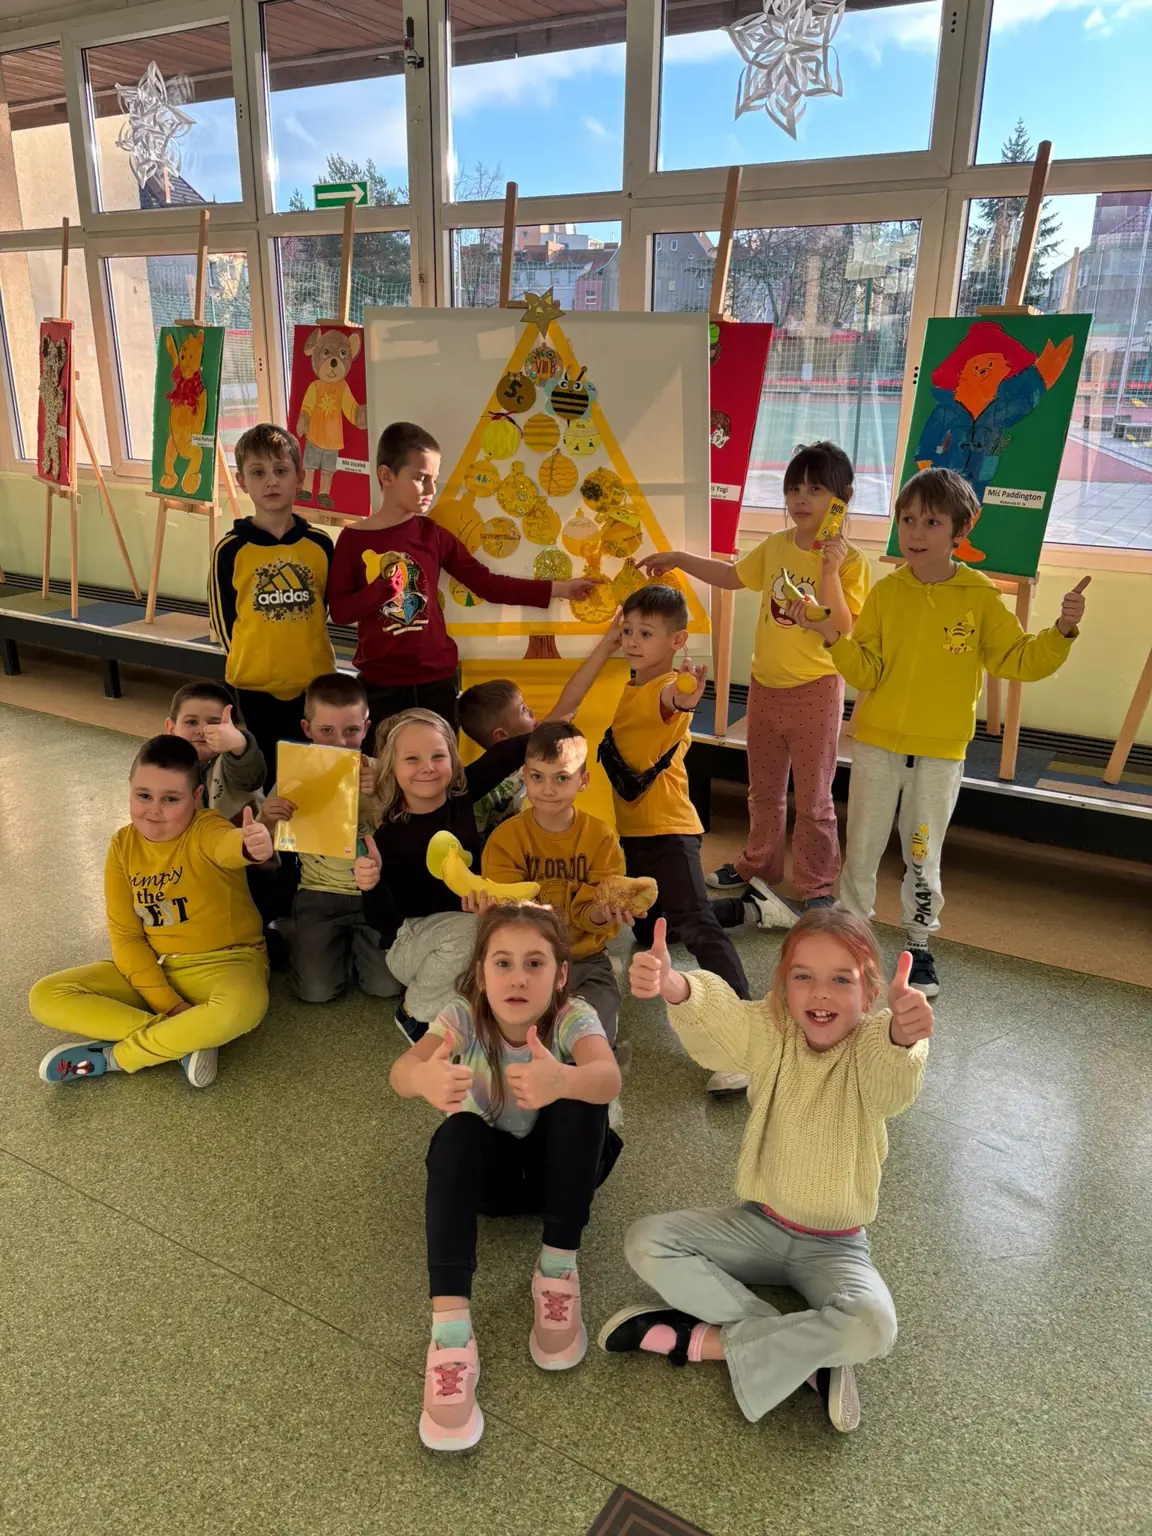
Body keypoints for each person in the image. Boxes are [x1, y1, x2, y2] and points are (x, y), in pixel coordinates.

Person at [599, 908, 932, 1435]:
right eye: (803, 977)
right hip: (759, 1225)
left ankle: (700, 1341)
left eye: (841, 980)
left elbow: (892, 1087)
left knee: (874, 1326)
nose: (820, 994)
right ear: (782, 989)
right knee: (646, 1241)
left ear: (870, 996)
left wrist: (902, 1038)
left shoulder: (874, 1044)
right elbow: (725, 1025)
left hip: (836, 1247)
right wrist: (676, 987)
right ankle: (808, 1356)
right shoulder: (774, 1029)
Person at [791, 467, 1089, 996]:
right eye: (907, 520)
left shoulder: (979, 596)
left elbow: (1020, 659)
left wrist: (1063, 630)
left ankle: (919, 943)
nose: (916, 532)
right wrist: (831, 636)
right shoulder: (887, 592)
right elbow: (867, 672)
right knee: (862, 847)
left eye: (931, 522)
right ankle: (851, 936)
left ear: (961, 530)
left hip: (939, 755)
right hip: (878, 747)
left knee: (922, 852)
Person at [390, 904, 622, 1452]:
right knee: (455, 1136)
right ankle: (450, 1335)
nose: (518, 978)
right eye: (503, 963)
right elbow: (401, 1072)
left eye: (534, 963)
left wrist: (562, 1081)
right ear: (480, 973)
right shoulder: (462, 1016)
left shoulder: (573, 1015)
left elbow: (607, 1076)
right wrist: (423, 1079)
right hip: (491, 1182)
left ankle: (557, 1270)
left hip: (562, 1175)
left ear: (560, 975)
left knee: (581, 1102)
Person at [641, 441, 870, 913]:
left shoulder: (851, 562)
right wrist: (681, 557)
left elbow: (843, 625)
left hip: (816, 691)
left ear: (842, 499)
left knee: (815, 800)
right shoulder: (776, 546)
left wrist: (829, 569)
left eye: (815, 490)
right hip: (766, 687)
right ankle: (759, 865)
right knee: (763, 791)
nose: (800, 499)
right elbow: (731, 577)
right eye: (793, 489)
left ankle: (817, 885)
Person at [588, 588, 787, 1096]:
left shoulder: (662, 687)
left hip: (669, 831)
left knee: (694, 925)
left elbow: (676, 700)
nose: (633, 641)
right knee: (652, 929)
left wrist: (687, 696)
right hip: (638, 831)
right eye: (628, 631)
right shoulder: (633, 685)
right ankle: (751, 909)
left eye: (646, 633)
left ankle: (744, 1036)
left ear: (677, 641)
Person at [29, 735, 273, 1090]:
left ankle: (113, 1059)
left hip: (228, 965)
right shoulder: (122, 845)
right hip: (155, 969)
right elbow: (127, 937)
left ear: (196, 797)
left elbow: (227, 845)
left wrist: (250, 847)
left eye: (170, 799)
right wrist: (171, 1007)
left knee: (244, 1007)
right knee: (46, 995)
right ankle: (183, 1039)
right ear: (130, 787)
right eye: (143, 795)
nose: (154, 810)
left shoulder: (207, 827)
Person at [327, 421, 597, 742]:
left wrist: (560, 589)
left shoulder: (432, 535)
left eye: (434, 479)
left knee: (440, 767)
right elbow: (340, 612)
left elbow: (487, 584)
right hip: (380, 685)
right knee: (383, 768)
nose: (431, 490)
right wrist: (383, 591)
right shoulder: (353, 539)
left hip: (435, 681)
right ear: (386, 475)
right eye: (421, 478)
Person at [482, 722, 628, 1044]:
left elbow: (594, 910)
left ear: (583, 780)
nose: (548, 789)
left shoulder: (601, 838)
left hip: (584, 959)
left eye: (561, 778)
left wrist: (601, 914)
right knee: (509, 1032)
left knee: (592, 1032)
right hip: (524, 959)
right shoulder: (505, 839)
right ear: (524, 775)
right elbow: (506, 915)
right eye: (538, 777)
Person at [209, 423, 336, 790]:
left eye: (281, 471)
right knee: (268, 779)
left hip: (313, 683)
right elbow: (223, 620)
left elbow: (324, 608)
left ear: (299, 478)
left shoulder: (320, 545)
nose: (271, 482)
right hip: (255, 686)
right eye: (258, 473)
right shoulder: (230, 550)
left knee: (314, 780)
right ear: (242, 481)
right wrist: (254, 659)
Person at [258, 672, 389, 1003]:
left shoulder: (383, 774)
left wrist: (383, 795)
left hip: (376, 893)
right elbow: (263, 848)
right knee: (315, 991)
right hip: (318, 892)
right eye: (327, 731)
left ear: (366, 727)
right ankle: (306, 936)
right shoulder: (295, 775)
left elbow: (406, 832)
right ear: (307, 729)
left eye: (351, 731)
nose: (340, 742)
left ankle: (345, 946)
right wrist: (268, 818)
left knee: (385, 986)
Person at [164, 680, 265, 822]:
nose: (202, 730)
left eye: (214, 723)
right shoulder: (161, 762)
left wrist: (238, 744)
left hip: (239, 833)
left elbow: (251, 778)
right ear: (171, 728)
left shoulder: (233, 760)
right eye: (191, 722)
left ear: (232, 730)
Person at [457, 678, 538, 838]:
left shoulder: (531, 760)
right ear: (501, 735)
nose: (532, 712)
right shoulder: (489, 792)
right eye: (523, 710)